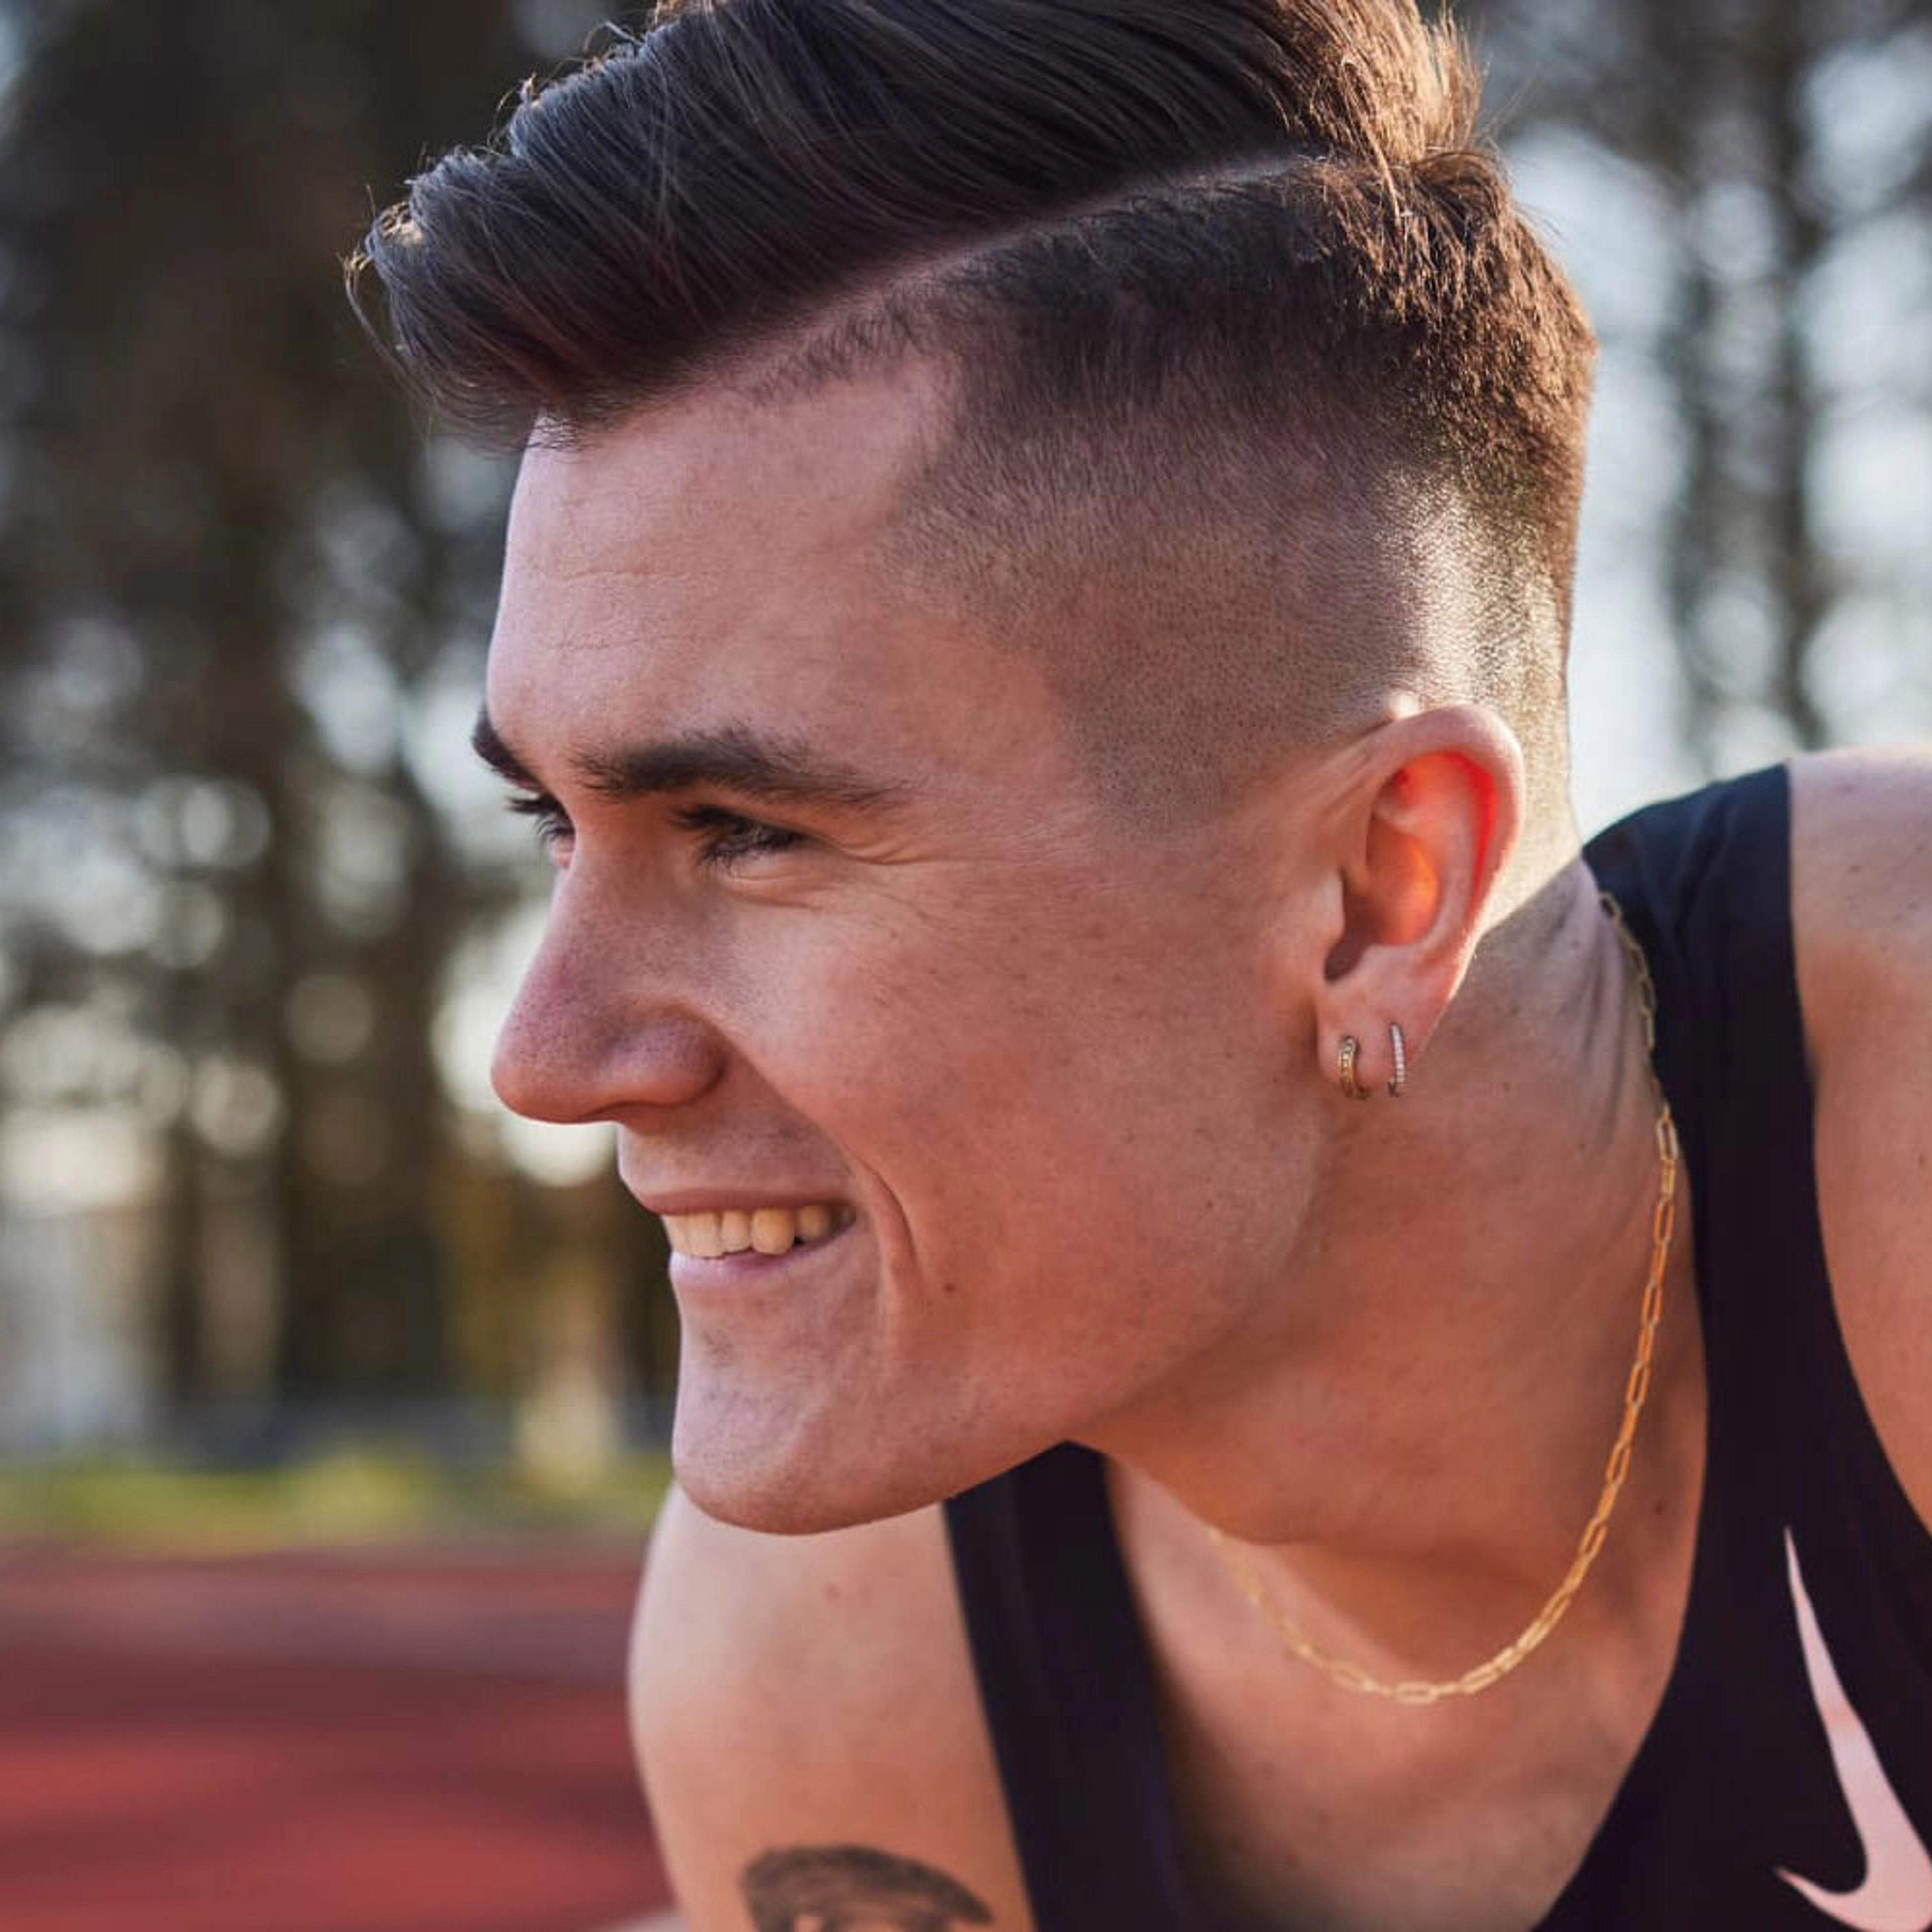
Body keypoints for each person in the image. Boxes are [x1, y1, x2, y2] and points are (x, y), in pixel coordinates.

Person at [352, 2, 1932, 1925]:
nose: (544, 1056)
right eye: (554, 825)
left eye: (747, 834)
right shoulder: (837, 1665)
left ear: (1377, 889)